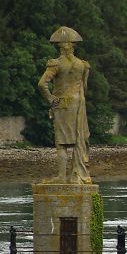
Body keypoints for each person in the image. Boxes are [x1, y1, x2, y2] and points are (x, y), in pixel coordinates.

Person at [38, 26, 92, 185]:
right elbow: (85, 87)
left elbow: (42, 84)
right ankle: (76, 175)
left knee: (61, 143)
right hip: (79, 104)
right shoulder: (83, 65)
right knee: (77, 140)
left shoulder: (56, 64)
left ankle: (62, 176)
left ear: (60, 47)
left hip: (62, 104)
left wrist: (50, 99)